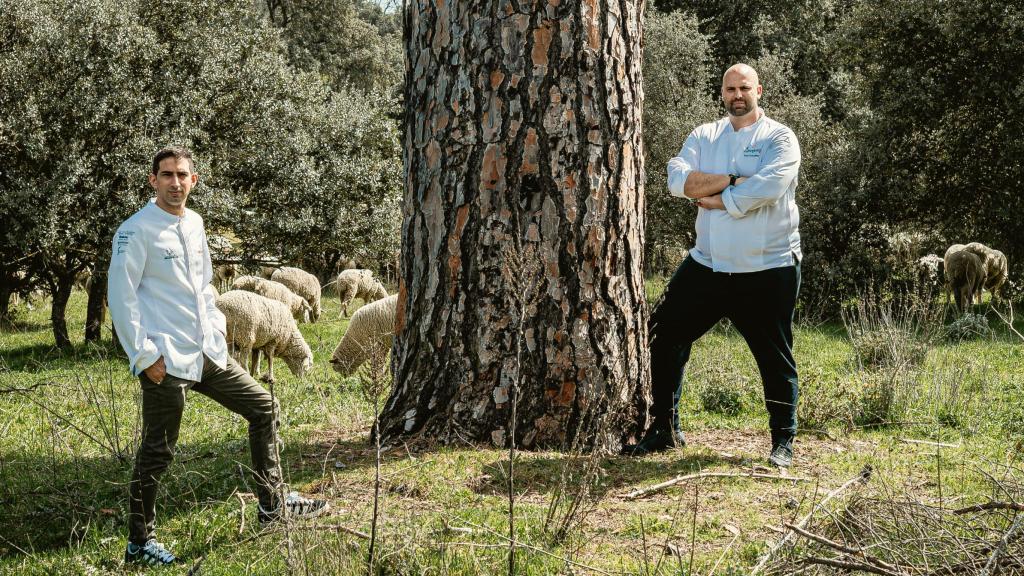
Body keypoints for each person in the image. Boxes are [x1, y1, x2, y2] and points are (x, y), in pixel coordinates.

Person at [108, 146, 328, 566]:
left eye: (182, 175)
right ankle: (139, 543)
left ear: (193, 181)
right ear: (153, 180)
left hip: (209, 352)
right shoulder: (134, 231)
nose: (175, 182)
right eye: (167, 175)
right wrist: (144, 355)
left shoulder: (194, 223)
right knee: (158, 451)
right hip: (166, 359)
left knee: (263, 407)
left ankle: (272, 505)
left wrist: (217, 329)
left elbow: (205, 284)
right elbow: (121, 296)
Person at [629, 64, 802, 467]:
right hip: (707, 264)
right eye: (730, 89)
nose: (738, 95)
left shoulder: (780, 137)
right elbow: (678, 180)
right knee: (663, 333)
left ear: (759, 90)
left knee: (774, 356)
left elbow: (770, 187)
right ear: (722, 93)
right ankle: (665, 429)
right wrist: (732, 179)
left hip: (767, 266)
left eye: (745, 88)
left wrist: (717, 198)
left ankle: (783, 442)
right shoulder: (705, 135)